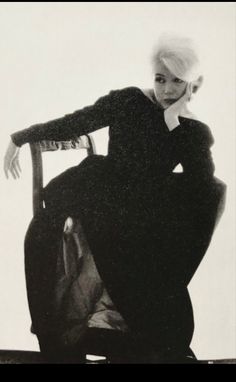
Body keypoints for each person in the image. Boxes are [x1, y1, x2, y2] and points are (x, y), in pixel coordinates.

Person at [3, 34, 226, 363]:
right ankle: (104, 321)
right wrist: (20, 138)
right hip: (103, 189)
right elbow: (77, 121)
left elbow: (200, 184)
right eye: (160, 79)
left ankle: (131, 323)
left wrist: (173, 121)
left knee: (214, 192)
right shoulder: (128, 101)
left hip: (143, 204)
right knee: (118, 233)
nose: (166, 90)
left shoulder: (193, 130)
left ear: (193, 84)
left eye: (177, 81)